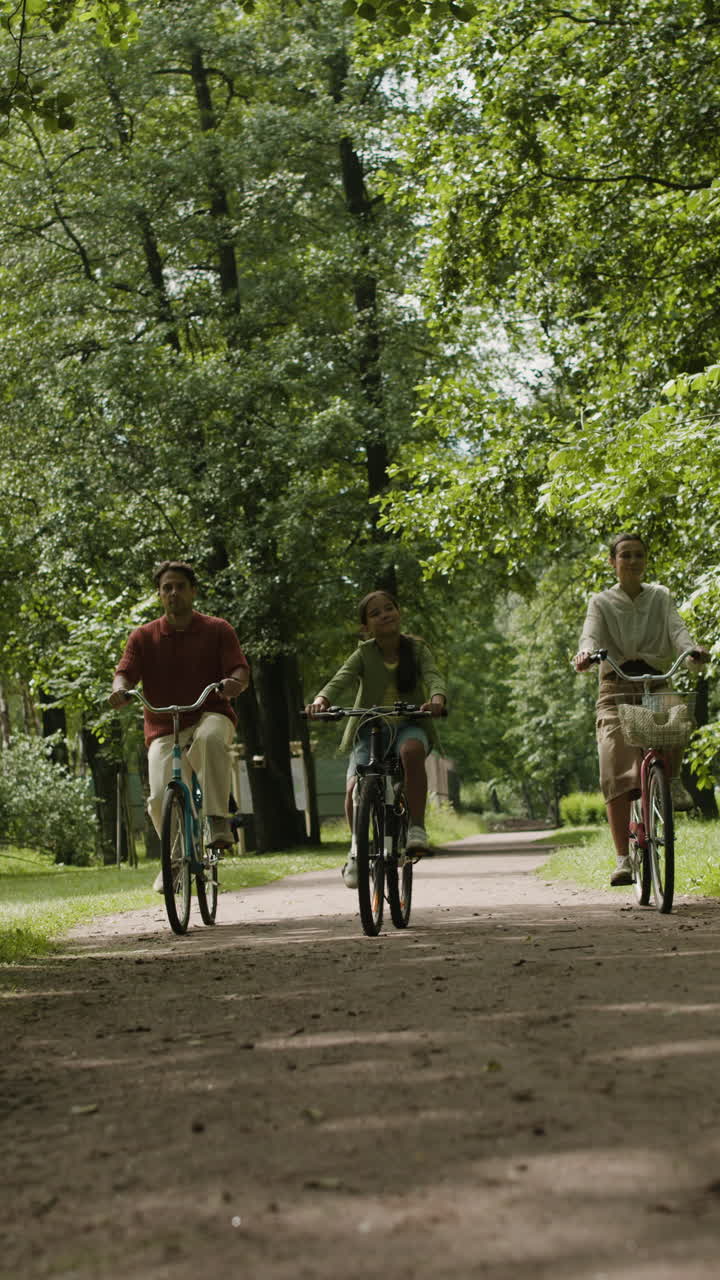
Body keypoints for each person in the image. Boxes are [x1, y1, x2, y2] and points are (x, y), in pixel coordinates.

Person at [573, 533, 709, 886]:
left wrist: (691, 650)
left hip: (655, 683)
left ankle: (672, 780)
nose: (633, 561)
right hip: (615, 689)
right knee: (616, 765)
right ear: (613, 562)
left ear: (645, 561)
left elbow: (677, 631)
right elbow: (590, 634)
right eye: (626, 556)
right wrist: (585, 654)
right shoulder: (601, 602)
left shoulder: (661, 597)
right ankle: (622, 859)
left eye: (639, 556)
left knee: (678, 715)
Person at [109, 561, 249, 889]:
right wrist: (119, 689)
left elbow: (239, 669)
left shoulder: (218, 629)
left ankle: (217, 820)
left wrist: (234, 683)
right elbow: (125, 671)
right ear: (159, 595)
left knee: (210, 740)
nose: (174, 593)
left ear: (193, 590)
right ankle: (174, 857)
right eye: (167, 588)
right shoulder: (143, 637)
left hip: (209, 712)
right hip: (163, 725)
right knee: (159, 796)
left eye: (180, 586)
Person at [306, 590, 447, 888]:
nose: (385, 614)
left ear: (398, 612)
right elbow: (339, 679)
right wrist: (321, 700)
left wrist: (436, 699)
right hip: (370, 728)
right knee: (354, 786)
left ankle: (417, 830)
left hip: (409, 724)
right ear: (365, 627)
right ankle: (357, 850)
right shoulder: (363, 654)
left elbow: (434, 676)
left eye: (389, 608)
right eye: (375, 613)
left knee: (411, 751)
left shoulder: (417, 649)